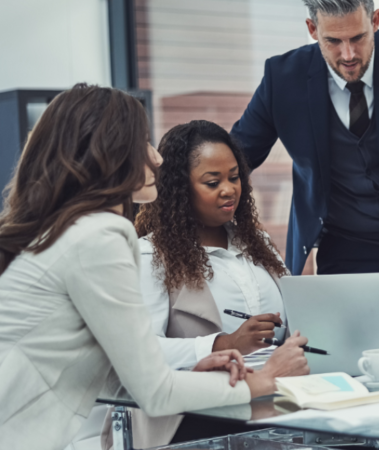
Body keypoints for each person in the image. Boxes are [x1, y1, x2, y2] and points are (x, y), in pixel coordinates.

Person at [0, 84, 309, 450]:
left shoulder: (65, 231)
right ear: (106, 153)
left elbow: (117, 374)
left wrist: (197, 369)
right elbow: (154, 392)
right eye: (142, 142)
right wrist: (265, 379)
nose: (157, 159)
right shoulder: (100, 235)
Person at [99, 120, 291, 447]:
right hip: (192, 421)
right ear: (180, 188)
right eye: (212, 182)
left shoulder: (258, 243)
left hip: (272, 406)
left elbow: (296, 317)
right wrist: (223, 343)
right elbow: (141, 350)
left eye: (234, 177)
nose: (229, 189)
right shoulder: (151, 255)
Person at [230, 0, 379, 275]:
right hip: (341, 245)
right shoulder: (282, 79)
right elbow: (236, 156)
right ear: (312, 29)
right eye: (334, 41)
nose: (348, 54)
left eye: (358, 38)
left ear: (374, 21)